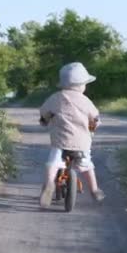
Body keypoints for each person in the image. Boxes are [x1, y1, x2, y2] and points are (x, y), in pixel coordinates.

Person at [38, 62, 105, 208]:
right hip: (81, 144)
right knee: (87, 166)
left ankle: (49, 184)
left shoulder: (56, 98)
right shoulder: (86, 101)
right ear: (82, 85)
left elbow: (44, 111)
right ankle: (94, 190)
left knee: (53, 164)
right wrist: (93, 126)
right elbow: (95, 118)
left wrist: (45, 119)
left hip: (60, 142)